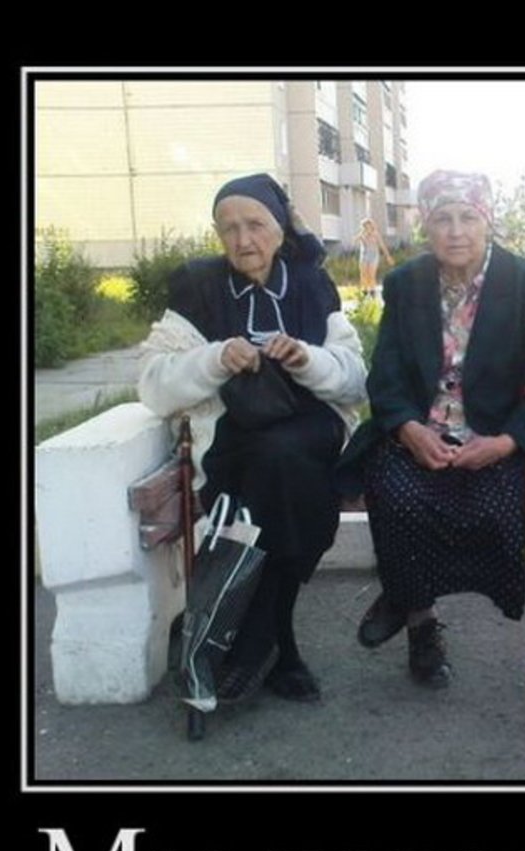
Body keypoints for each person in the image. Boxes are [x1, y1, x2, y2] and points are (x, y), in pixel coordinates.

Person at [138, 173, 368, 702]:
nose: (243, 240)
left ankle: (255, 639)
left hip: (312, 431)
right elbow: (153, 385)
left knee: (283, 458)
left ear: (280, 228)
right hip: (233, 443)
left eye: (256, 225)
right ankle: (278, 645)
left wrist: (308, 359)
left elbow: (356, 380)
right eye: (229, 229)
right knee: (278, 469)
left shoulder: (311, 285)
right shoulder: (200, 286)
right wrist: (216, 358)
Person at [335, 169, 525, 687]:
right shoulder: (406, 283)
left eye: (468, 217)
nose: (456, 231)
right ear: (426, 225)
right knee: (394, 491)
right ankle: (420, 622)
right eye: (443, 219)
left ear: (488, 221)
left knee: (496, 509)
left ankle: (400, 592)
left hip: (496, 436)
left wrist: (507, 441)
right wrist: (408, 429)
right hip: (422, 430)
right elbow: (386, 374)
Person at [355, 217, 394, 299]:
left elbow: (382, 246)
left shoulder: (376, 234)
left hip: (374, 256)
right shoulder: (362, 235)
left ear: (372, 226)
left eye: (369, 226)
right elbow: (355, 240)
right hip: (364, 256)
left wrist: (388, 257)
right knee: (363, 275)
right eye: (365, 226)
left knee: (371, 275)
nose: (367, 228)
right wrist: (362, 237)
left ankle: (373, 294)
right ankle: (365, 293)